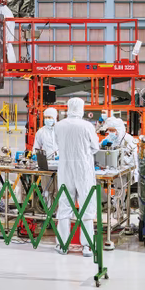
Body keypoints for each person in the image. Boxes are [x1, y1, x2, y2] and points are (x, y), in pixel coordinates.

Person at [54, 97, 99, 257]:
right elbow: (95, 147)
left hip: (65, 169)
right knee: (87, 205)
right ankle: (86, 246)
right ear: (81, 109)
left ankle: (62, 244)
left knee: (65, 204)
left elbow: (57, 144)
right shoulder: (87, 126)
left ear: (68, 108)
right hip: (83, 170)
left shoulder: (59, 126)